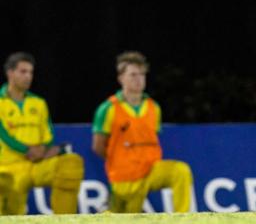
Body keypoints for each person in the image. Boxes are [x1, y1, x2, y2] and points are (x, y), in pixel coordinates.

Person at [92, 51, 193, 213]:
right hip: (124, 179)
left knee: (180, 171)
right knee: (121, 216)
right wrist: (121, 160)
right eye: (133, 75)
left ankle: (183, 220)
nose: (139, 79)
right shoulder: (108, 109)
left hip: (150, 171)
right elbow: (98, 147)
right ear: (121, 78)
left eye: (142, 74)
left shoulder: (154, 107)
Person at [0, 52, 84, 215]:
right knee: (10, 212)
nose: (28, 77)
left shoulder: (38, 103)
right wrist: (26, 150)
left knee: (70, 164)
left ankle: (63, 220)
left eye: (31, 72)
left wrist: (43, 150)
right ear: (10, 73)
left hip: (36, 165)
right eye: (23, 72)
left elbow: (48, 135)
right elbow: (3, 135)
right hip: (7, 169)